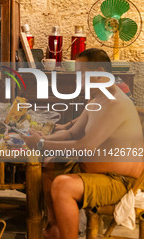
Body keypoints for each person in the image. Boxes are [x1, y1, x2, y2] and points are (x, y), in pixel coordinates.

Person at [20, 48, 144, 239]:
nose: (78, 80)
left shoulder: (117, 104)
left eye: (82, 74)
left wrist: (40, 144)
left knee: (63, 185)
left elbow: (84, 148)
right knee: (49, 163)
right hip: (93, 170)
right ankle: (55, 228)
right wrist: (40, 138)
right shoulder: (97, 99)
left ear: (100, 74)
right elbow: (72, 132)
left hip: (118, 180)